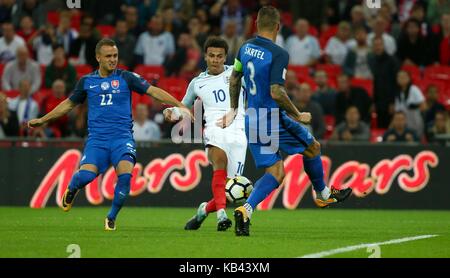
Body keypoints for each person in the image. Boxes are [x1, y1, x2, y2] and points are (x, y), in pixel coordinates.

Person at [27, 39, 192, 231]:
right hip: (97, 141)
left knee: (125, 177)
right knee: (86, 176)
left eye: (115, 56)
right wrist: (43, 120)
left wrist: (180, 104)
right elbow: (68, 104)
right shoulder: (87, 82)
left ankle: (111, 217)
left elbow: (153, 92)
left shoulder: (127, 77)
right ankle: (73, 187)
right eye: (108, 56)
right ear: (98, 57)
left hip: (122, 139)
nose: (113, 60)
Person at [219, 6, 352, 236]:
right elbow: (276, 92)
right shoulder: (278, 53)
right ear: (278, 27)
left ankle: (246, 209)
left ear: (256, 24)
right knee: (313, 147)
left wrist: (233, 108)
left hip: (251, 119)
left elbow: (234, 79)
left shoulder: (245, 48)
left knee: (276, 171)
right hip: (271, 117)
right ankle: (322, 194)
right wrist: (298, 115)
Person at [163, 36, 247, 232]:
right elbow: (184, 106)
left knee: (231, 190)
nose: (216, 59)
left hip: (238, 132)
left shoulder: (237, 74)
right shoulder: (197, 82)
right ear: (205, 57)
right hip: (214, 129)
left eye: (219, 56)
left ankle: (203, 211)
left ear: (226, 57)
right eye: (212, 56)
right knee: (219, 161)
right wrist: (171, 112)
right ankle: (221, 216)